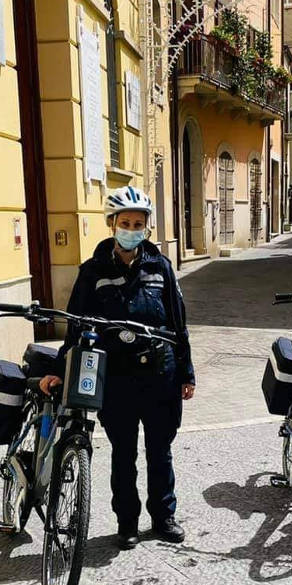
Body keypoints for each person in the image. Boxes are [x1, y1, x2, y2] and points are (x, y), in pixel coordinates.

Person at [40, 186, 196, 549]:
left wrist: (186, 372)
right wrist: (62, 369)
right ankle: (127, 523)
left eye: (138, 224)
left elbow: (178, 324)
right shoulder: (93, 271)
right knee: (123, 454)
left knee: (160, 452)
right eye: (125, 223)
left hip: (160, 374)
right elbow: (76, 326)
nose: (131, 229)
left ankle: (164, 517)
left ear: (147, 227)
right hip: (116, 379)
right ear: (112, 224)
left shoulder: (161, 267)